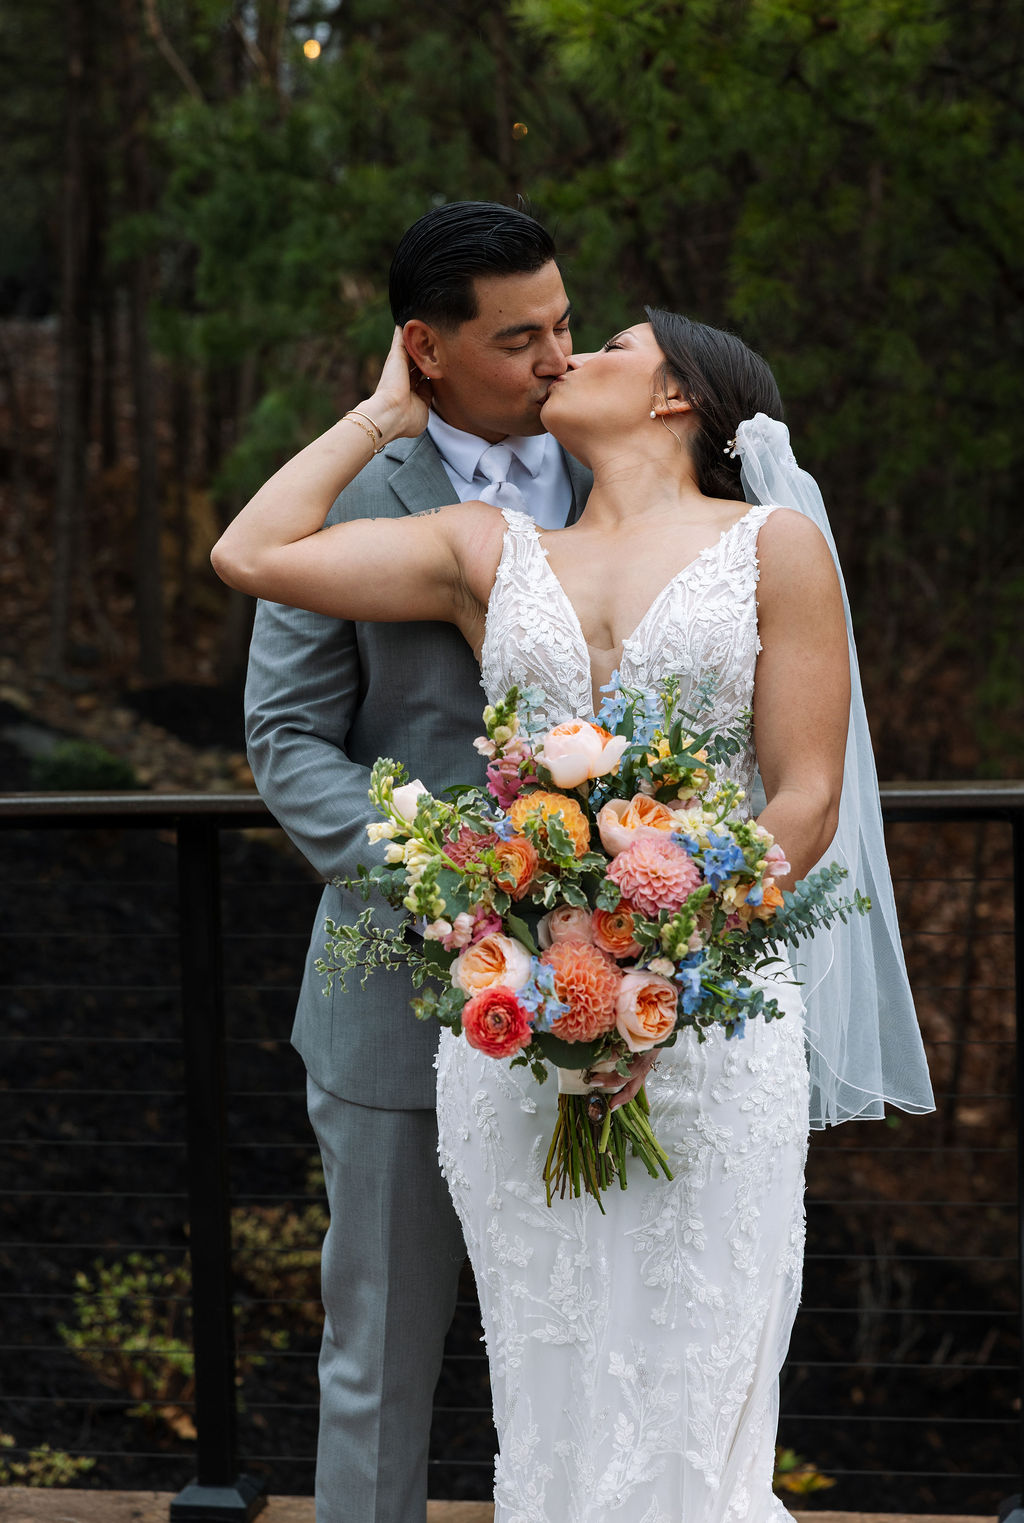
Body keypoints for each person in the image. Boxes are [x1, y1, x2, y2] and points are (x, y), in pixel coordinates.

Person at [219, 305, 934, 1522]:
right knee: (549, 1385)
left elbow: (806, 796)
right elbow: (251, 551)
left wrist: (665, 951)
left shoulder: (774, 547)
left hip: (703, 1018)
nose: (564, 358)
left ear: (675, 395)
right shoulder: (485, 548)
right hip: (523, 1023)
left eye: (605, 346)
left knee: (693, 1380)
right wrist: (383, 414)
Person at [242, 200, 591, 1523]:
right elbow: (287, 742)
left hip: (616, 991)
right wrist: (449, 873)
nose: (559, 359)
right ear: (424, 347)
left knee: (589, 1354)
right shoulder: (335, 500)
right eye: (519, 338)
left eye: (564, 322)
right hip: (397, 997)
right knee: (381, 1357)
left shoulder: (628, 466)